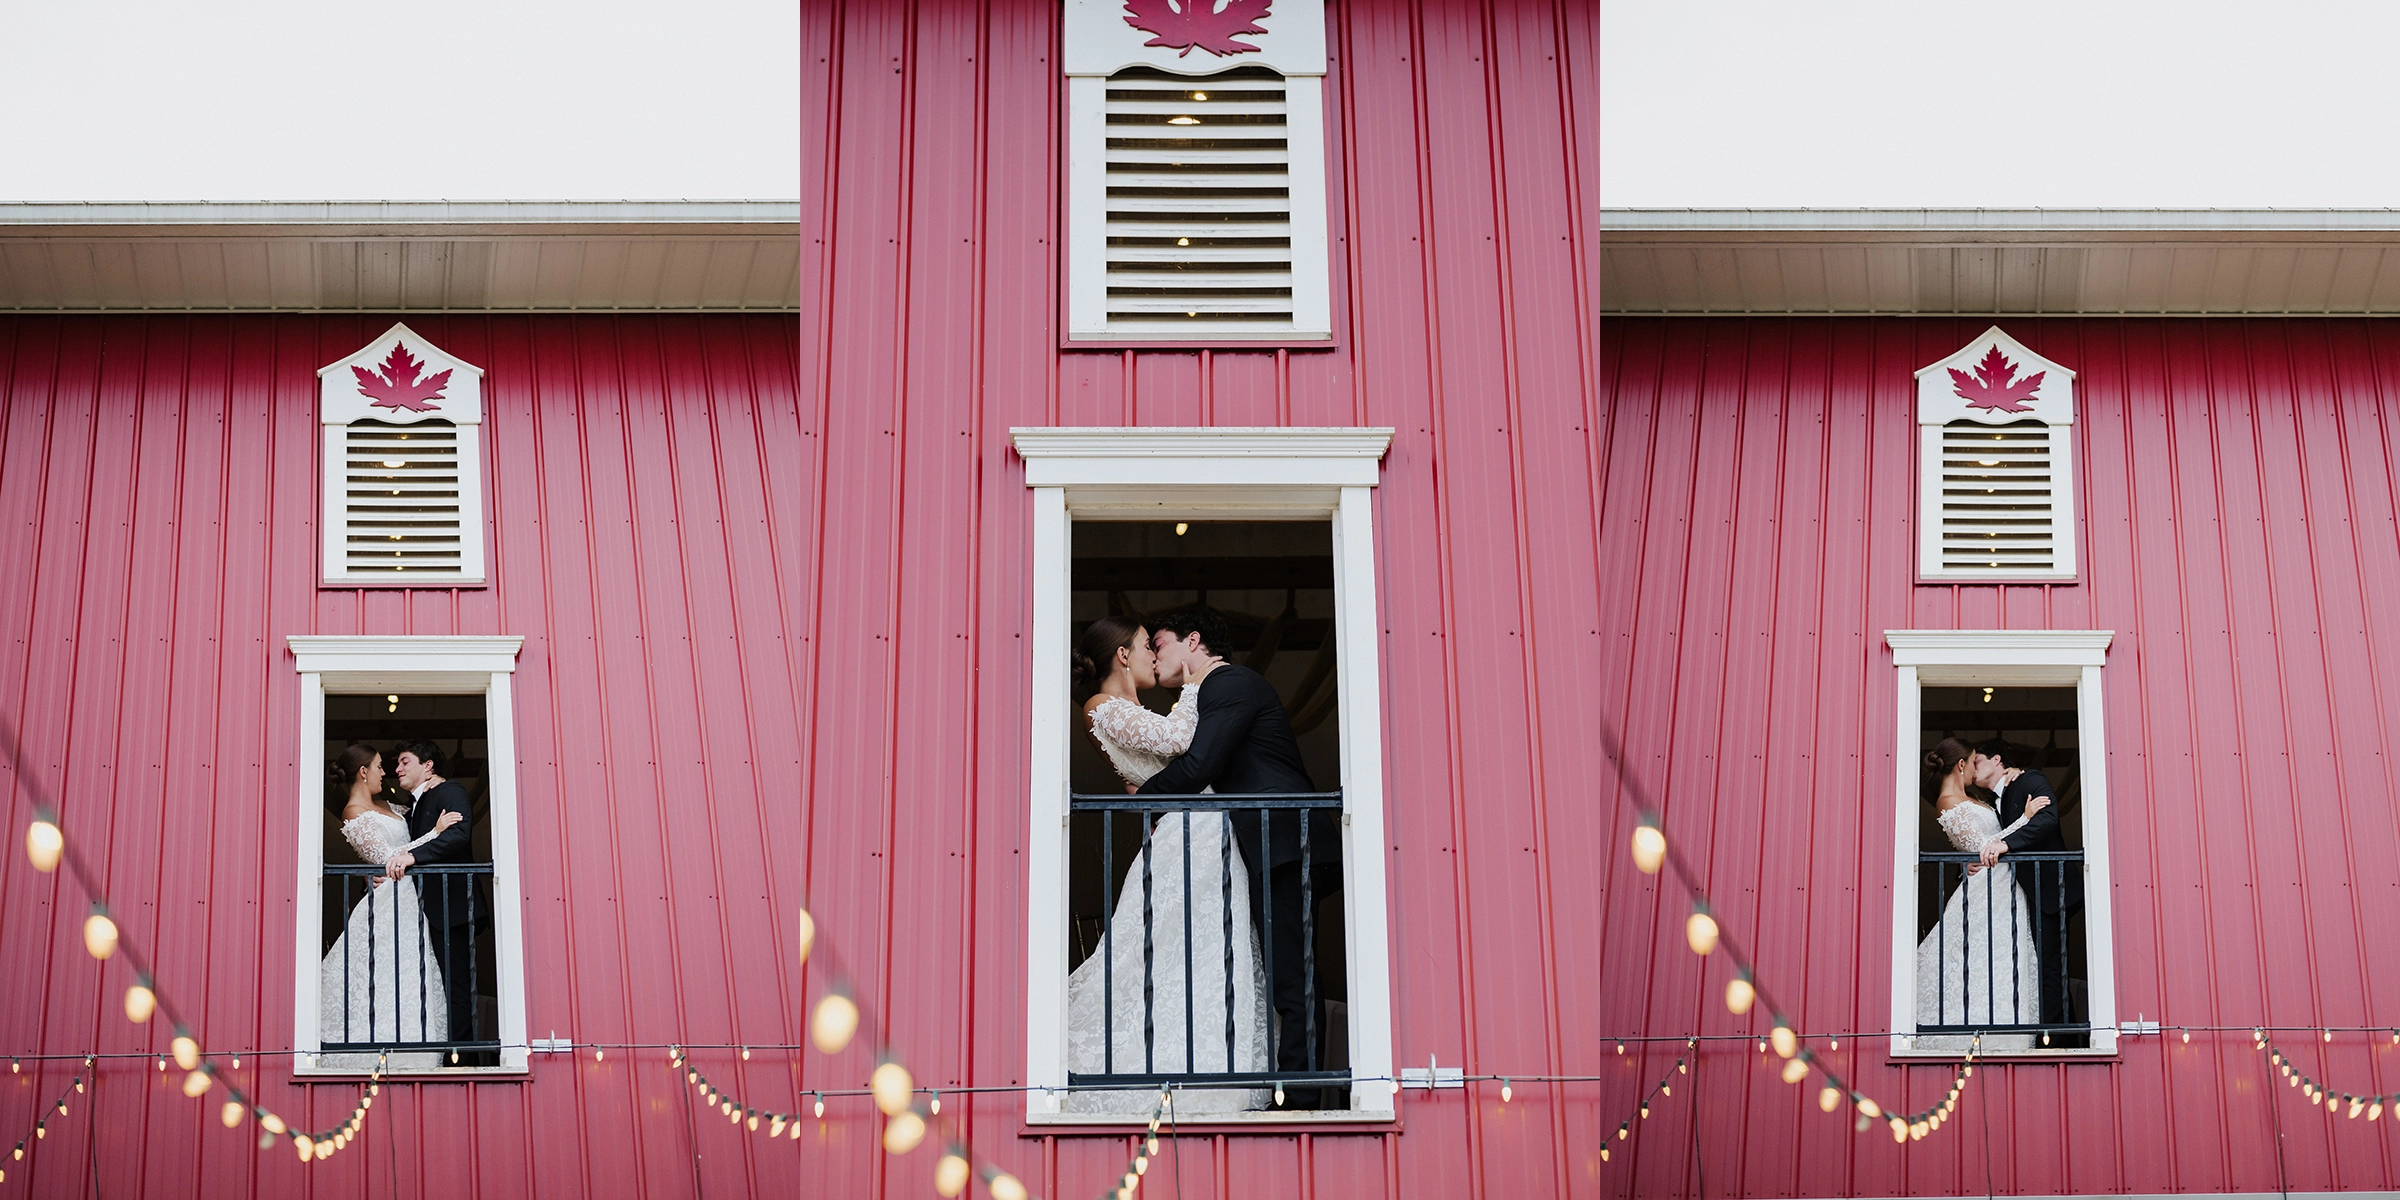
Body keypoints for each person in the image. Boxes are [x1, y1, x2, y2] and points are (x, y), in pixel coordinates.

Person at [1062, 617, 1270, 1113]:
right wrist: (1202, 677)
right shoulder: (1104, 708)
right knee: (1163, 956)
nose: (1156, 658)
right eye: (1145, 647)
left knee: (1197, 955)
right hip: (1186, 836)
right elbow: (1180, 739)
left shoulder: (1130, 708)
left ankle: (1203, 1068)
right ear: (1122, 656)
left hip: (1197, 832)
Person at [1139, 609, 1342, 1105]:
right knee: (1283, 971)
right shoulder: (1209, 693)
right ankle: (1297, 1087)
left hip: (1286, 840)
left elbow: (1199, 766)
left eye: (1159, 644)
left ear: (1193, 640)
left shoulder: (1230, 683)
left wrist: (1141, 797)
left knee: (1292, 975)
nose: (1154, 656)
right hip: (1268, 844)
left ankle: (1303, 1097)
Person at [318, 742, 462, 1070]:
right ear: (363, 771)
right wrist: (435, 834)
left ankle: (416, 1051)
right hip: (389, 900)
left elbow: (416, 811)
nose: (386, 773)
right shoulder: (353, 812)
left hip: (409, 896)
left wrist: (432, 783)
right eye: (380, 766)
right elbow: (387, 858)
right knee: (382, 977)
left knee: (411, 974)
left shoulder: (387, 804)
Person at [1914, 737, 2047, 1052]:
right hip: (1986, 885)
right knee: (1978, 959)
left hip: (2002, 883)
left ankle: (2006, 1032)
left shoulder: (1972, 796)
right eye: (1973, 761)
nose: (1976, 767)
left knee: (2003, 958)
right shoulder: (1947, 801)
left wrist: (2013, 773)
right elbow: (1982, 847)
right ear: (1961, 765)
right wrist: (2024, 820)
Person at [1972, 741, 2083, 1041]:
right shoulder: (1991, 801)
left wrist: (2006, 844)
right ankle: (2057, 1035)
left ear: (1997, 760)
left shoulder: (2030, 780)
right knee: (2039, 970)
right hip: (2021, 896)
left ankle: (2059, 1041)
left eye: (1978, 760)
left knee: (2050, 970)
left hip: (2049, 890)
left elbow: (2047, 818)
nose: (1973, 768)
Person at [389, 740, 482, 1060]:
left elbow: (458, 835)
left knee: (456, 986)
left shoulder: (449, 791)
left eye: (404, 762)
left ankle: (463, 1058)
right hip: (426, 910)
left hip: (452, 906)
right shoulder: (414, 804)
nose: (397, 769)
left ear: (428, 766)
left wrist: (413, 857)